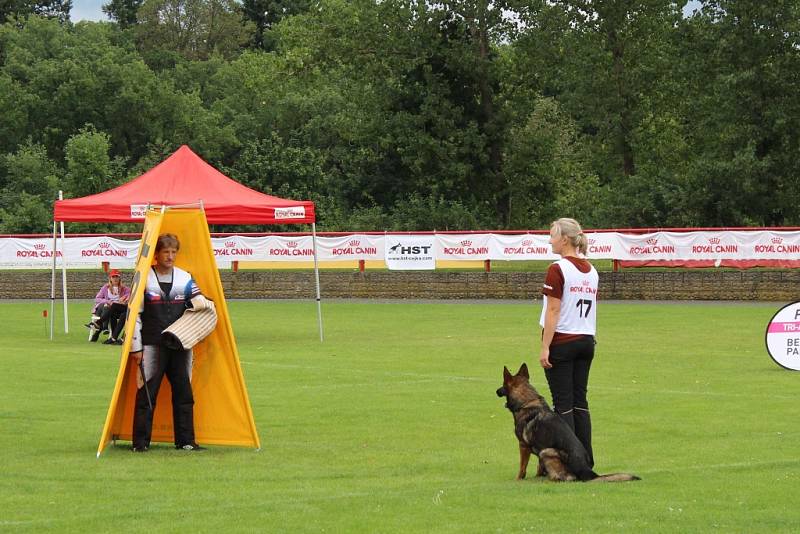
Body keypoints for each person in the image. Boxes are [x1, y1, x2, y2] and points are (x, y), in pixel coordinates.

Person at [128, 233, 205, 452]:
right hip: (151, 345)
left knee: (184, 392)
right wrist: (136, 348)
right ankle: (140, 443)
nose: (170, 257)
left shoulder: (185, 278)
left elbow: (201, 306)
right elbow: (134, 316)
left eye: (173, 252)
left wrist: (204, 317)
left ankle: (186, 441)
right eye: (166, 252)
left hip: (181, 345)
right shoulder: (143, 278)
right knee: (147, 393)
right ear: (156, 254)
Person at [538, 218, 598, 467]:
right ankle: (587, 458)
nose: (549, 240)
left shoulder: (558, 268)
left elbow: (553, 310)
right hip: (586, 340)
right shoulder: (591, 269)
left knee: (563, 404)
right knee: (579, 401)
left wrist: (545, 347)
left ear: (564, 239)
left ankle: (572, 462)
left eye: (552, 235)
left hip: (563, 341)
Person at [87, 269, 130, 344]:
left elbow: (131, 293)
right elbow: (97, 299)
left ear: (120, 278)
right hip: (106, 308)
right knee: (108, 307)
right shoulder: (105, 288)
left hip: (118, 309)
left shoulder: (124, 289)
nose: (115, 278)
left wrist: (125, 297)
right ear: (110, 278)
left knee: (113, 307)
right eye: (113, 277)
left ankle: (98, 324)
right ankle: (110, 334)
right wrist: (107, 301)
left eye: (117, 277)